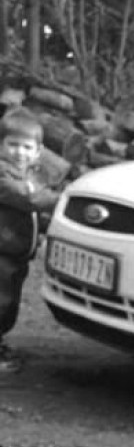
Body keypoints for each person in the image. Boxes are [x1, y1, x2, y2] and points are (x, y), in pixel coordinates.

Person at [0, 106, 60, 373]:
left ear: (38, 151)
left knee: (9, 303)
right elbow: (29, 200)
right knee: (1, 302)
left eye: (26, 147)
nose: (19, 152)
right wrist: (64, 199)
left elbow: (35, 213)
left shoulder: (30, 177)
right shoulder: (3, 177)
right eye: (12, 145)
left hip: (18, 254)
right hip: (2, 252)